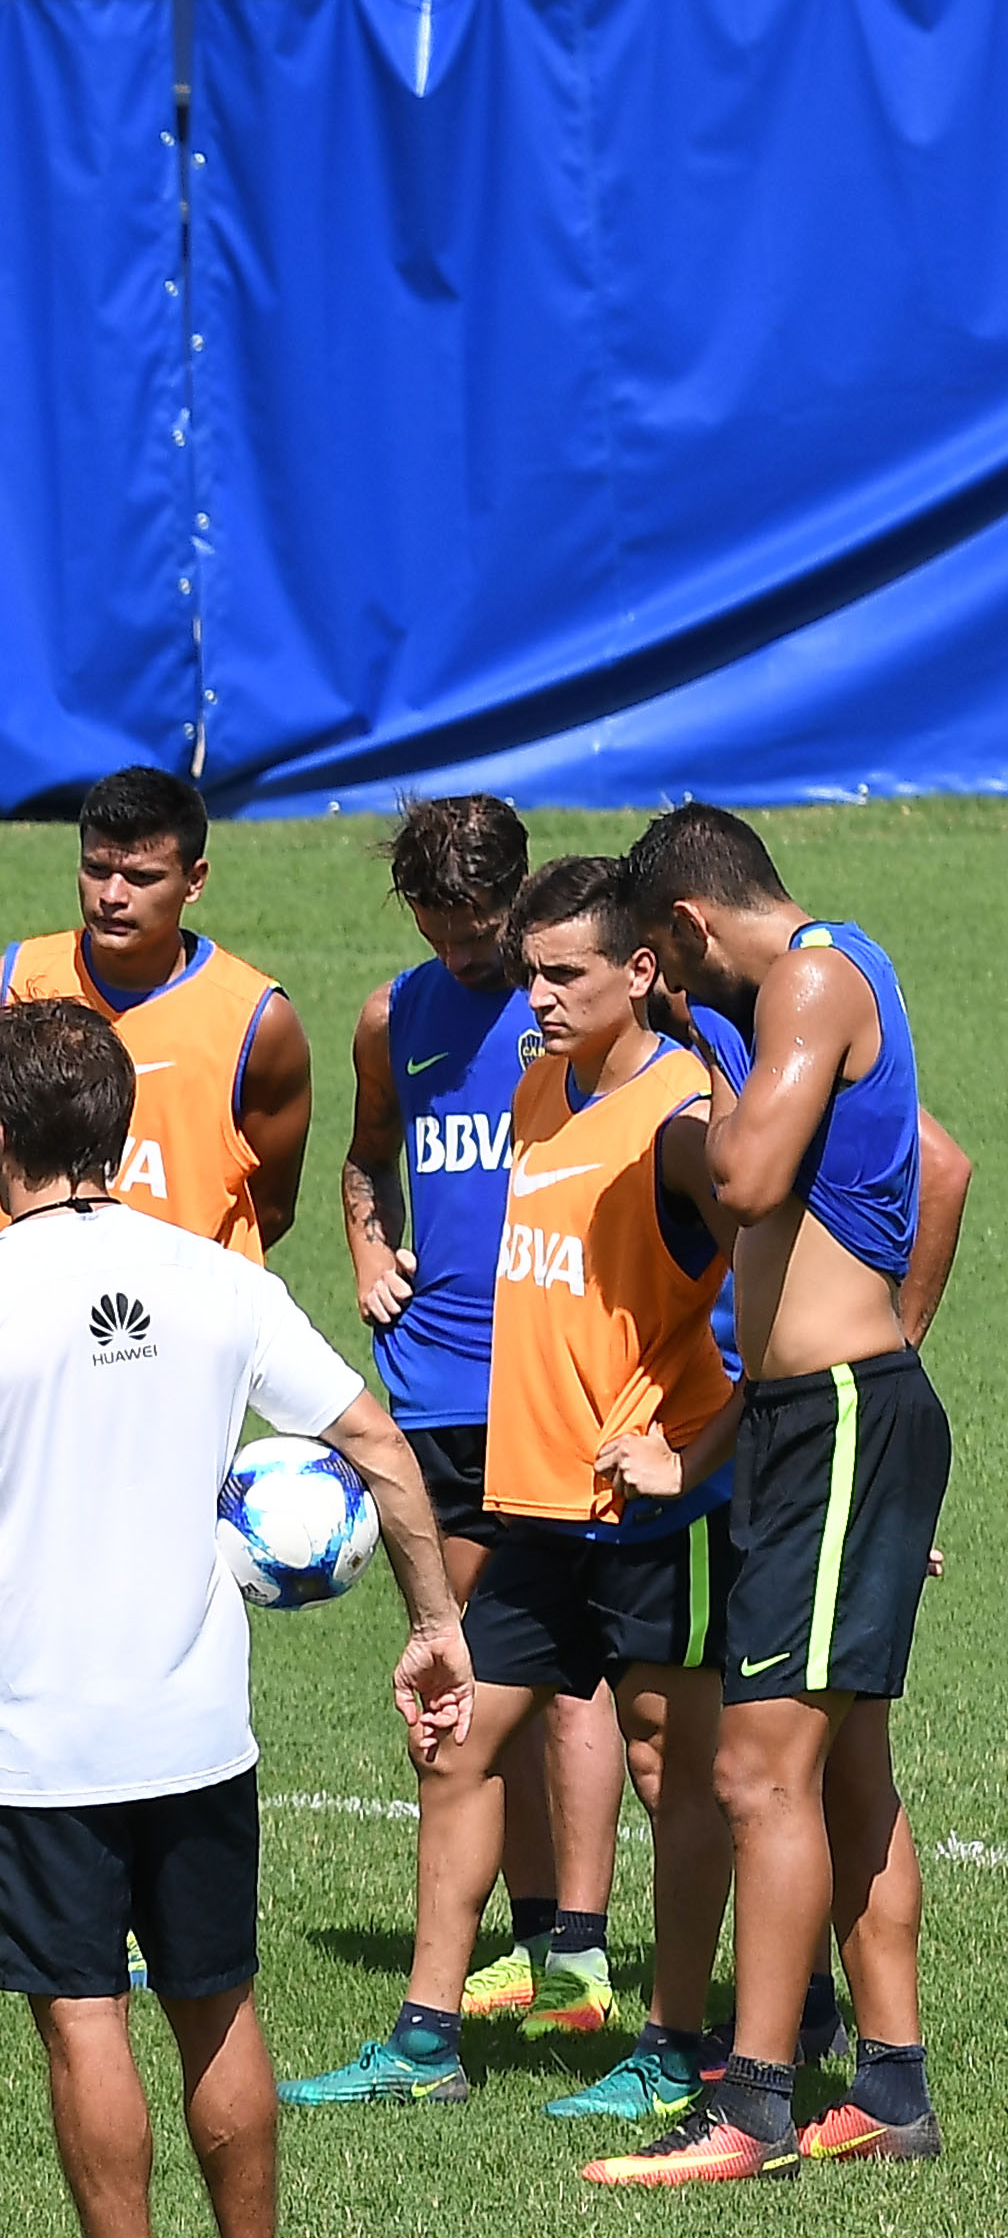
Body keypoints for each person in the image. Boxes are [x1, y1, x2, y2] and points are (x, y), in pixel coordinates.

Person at [0, 1000, 470, 2238]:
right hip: (200, 1728)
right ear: (121, 1132)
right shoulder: (220, 1282)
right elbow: (372, 1440)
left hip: (41, 1742)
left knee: (82, 2007)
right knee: (218, 1998)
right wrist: (434, 1619)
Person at [283, 857, 741, 2123]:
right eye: (529, 971)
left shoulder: (689, 1118)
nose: (533, 997)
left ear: (640, 971)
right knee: (456, 1741)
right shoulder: (544, 1089)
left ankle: (679, 2046)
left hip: (655, 1511)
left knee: (675, 1771)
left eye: (562, 974)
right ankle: (426, 2039)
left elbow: (762, 1303)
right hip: (538, 1502)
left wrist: (687, 1455)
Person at [0, 762, 318, 1986]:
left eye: (144, 872)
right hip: (26, 1335)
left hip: (162, 1349)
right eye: (97, 866)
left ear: (195, 877)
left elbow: (267, 1192)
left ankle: (138, 1884)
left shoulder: (255, 1018)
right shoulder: (13, 982)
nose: (114, 892)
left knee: (149, 1617)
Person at [594, 803, 973, 2185]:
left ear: (687, 929)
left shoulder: (812, 977)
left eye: (665, 969)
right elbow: (940, 1164)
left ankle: (750, 2106)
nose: (672, 999)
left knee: (757, 1771)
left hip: (839, 1418)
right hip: (820, 1422)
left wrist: (684, 1118)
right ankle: (888, 2089)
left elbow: (748, 1180)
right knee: (847, 1772)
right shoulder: (814, 987)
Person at [293, 799, 626, 2084]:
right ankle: (542, 1951)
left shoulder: (575, 1016)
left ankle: (572, 1957)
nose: (465, 946)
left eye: (482, 924)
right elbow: (366, 1157)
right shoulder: (397, 1015)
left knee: (533, 1684)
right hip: (428, 1388)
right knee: (488, 1679)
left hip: (548, 1391)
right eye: (438, 922)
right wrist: (370, 1244)